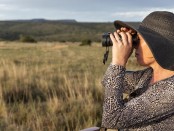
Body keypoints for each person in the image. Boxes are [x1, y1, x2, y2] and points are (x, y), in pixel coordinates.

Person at [101, 11, 174, 131]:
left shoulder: (171, 90)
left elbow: (112, 119)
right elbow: (107, 80)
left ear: (158, 45)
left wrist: (119, 61)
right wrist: (122, 54)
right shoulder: (147, 75)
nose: (134, 45)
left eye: (138, 40)